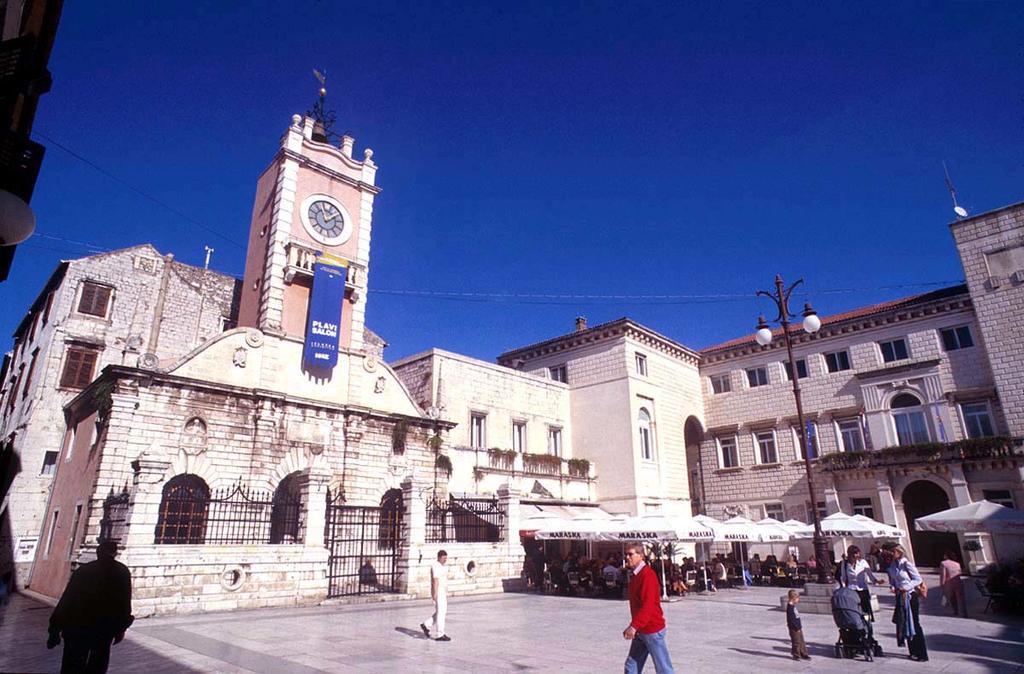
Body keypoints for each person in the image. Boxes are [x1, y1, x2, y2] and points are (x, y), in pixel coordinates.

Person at [47, 540, 134, 674]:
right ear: (115, 553)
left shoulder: (84, 571)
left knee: (72, 666)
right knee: (97, 665)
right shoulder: (122, 572)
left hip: (77, 626)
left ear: (98, 552)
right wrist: (121, 629)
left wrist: (54, 629)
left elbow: (67, 600)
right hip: (103, 629)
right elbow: (124, 604)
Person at [621, 543, 674, 674]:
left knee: (663, 668)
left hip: (652, 630)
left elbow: (648, 605)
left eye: (630, 554)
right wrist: (635, 626)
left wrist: (633, 626)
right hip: (641, 630)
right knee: (631, 666)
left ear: (641, 556)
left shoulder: (647, 575)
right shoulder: (635, 575)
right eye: (626, 554)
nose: (627, 557)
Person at [885, 544, 928, 662]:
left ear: (899, 552)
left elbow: (918, 579)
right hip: (900, 596)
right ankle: (912, 651)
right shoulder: (892, 566)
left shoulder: (906, 564)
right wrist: (893, 587)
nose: (891, 554)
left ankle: (922, 653)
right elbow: (893, 580)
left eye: (893, 552)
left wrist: (906, 587)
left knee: (914, 623)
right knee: (904, 623)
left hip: (910, 596)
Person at [836, 545, 880, 621]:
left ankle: (867, 624)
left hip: (862, 589)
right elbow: (843, 577)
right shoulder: (845, 563)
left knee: (865, 610)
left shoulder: (863, 562)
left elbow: (870, 575)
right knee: (855, 610)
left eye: (857, 553)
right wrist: (843, 587)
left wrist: (876, 581)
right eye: (853, 553)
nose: (855, 555)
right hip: (851, 589)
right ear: (849, 554)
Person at [420, 549, 450, 642]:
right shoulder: (435, 566)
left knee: (442, 611)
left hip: (443, 591)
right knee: (441, 612)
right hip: (439, 591)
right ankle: (440, 634)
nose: (445, 560)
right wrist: (435, 594)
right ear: (439, 557)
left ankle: (426, 625)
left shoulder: (441, 566)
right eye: (444, 558)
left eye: (446, 558)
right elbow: (435, 581)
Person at [938, 551, 966, 618]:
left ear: (946, 556)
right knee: (961, 598)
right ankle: (964, 613)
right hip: (958, 582)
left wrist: (942, 584)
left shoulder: (943, 563)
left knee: (952, 598)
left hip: (949, 583)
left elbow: (943, 575)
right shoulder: (957, 564)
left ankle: (955, 611)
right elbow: (960, 573)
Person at [786, 589, 811, 661]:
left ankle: (804, 653)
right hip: (794, 628)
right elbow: (791, 620)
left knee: (801, 641)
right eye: (797, 599)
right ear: (793, 598)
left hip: (798, 627)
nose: (798, 600)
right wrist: (796, 628)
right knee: (796, 642)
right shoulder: (790, 608)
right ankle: (796, 654)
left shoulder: (793, 606)